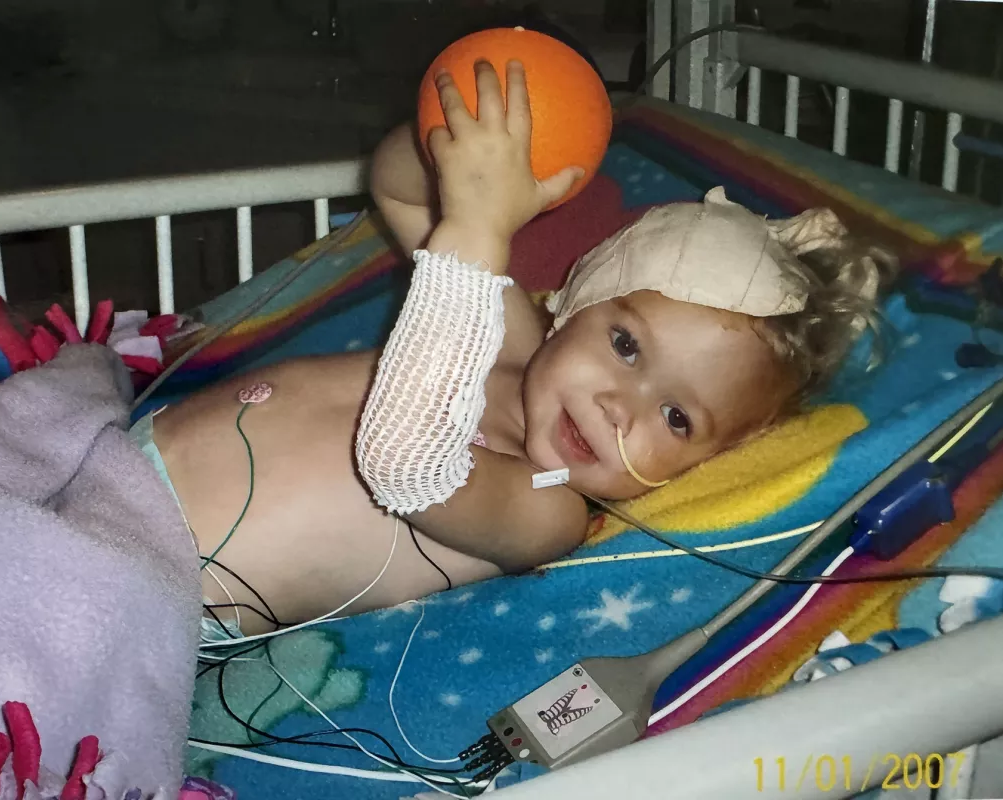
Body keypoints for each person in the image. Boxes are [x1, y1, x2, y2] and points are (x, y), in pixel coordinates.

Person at [144, 60, 892, 645]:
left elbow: (405, 464)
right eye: (625, 344)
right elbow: (402, 191)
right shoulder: (511, 337)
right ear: (575, 302)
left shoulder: (547, 512)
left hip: (160, 584)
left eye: (674, 416)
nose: (617, 407)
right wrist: (464, 146)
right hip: (118, 458)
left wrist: (475, 229)